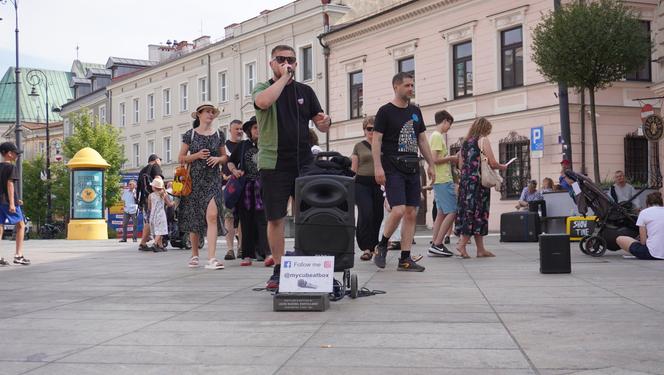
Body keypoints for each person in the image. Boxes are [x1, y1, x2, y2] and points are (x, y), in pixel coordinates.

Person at [253, 44, 331, 290]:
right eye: (282, 59)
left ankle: (305, 259)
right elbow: (264, 102)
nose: (288, 63)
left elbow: (321, 125)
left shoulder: (305, 91)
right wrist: (284, 78)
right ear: (272, 64)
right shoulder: (264, 87)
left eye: (292, 61)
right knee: (275, 217)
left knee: (307, 213)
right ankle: (278, 267)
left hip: (303, 161)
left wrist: (325, 121)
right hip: (274, 162)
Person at [372, 72, 435, 272]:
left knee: (411, 212)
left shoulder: (415, 111)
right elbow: (377, 140)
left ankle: (405, 259)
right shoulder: (385, 111)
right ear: (396, 87)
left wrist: (431, 164)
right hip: (392, 166)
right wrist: (377, 167)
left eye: (412, 85)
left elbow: (422, 140)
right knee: (397, 210)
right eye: (407, 85)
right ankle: (382, 245)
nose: (411, 88)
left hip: (411, 166)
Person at [178, 102, 229, 270]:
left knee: (212, 216)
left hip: (213, 180)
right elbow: (181, 158)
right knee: (195, 218)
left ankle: (212, 258)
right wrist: (197, 155)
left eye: (212, 112)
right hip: (194, 181)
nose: (210, 114)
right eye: (207, 112)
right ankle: (194, 254)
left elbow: (225, 157)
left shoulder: (219, 135)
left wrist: (218, 159)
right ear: (199, 115)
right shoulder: (190, 135)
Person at [454, 117, 507, 258]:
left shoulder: (464, 143)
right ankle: (461, 244)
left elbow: (460, 165)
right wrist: (504, 166)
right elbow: (493, 163)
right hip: (478, 183)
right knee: (477, 214)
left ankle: (480, 250)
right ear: (484, 128)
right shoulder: (483, 140)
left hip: (465, 183)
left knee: (469, 213)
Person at [228, 116, 269, 266]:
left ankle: (267, 253)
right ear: (250, 131)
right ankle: (247, 255)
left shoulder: (268, 144)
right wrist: (235, 171)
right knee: (246, 222)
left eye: (260, 127)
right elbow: (230, 160)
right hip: (246, 188)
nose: (258, 130)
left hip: (264, 187)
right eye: (255, 127)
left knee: (263, 220)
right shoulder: (244, 145)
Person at [351, 116, 384, 261]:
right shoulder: (359, 146)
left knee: (378, 215)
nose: (372, 131)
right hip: (361, 184)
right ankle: (365, 248)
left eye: (374, 129)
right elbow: (353, 168)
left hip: (378, 184)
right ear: (364, 130)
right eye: (369, 129)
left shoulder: (382, 145)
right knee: (366, 212)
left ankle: (374, 245)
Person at [428, 110, 457, 257]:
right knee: (452, 211)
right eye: (449, 125)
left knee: (440, 213)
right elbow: (434, 159)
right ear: (445, 121)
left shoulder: (434, 136)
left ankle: (435, 243)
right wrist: (451, 157)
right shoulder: (437, 136)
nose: (449, 128)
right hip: (443, 179)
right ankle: (438, 244)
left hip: (439, 180)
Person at [0, 142, 29, 266]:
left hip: (0, 201)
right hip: (8, 201)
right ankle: (18, 255)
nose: (17, 155)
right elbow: (10, 184)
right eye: (16, 153)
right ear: (9, 153)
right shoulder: (11, 167)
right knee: (21, 225)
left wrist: (17, 199)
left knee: (0, 226)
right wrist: (12, 203)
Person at [616, 192, 663, 260]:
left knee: (620, 239)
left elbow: (643, 241)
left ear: (647, 203)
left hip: (651, 253)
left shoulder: (644, 212)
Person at [222, 119, 244, 261]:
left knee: (243, 218)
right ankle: (230, 249)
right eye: (236, 129)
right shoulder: (224, 147)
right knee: (228, 217)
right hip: (228, 188)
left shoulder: (245, 146)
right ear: (230, 130)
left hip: (243, 186)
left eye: (241, 129)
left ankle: (241, 247)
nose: (239, 131)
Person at [136, 154, 163, 251]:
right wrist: (163, 193)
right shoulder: (155, 166)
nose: (160, 162)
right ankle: (144, 243)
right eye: (159, 160)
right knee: (155, 221)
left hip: (144, 199)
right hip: (154, 199)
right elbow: (158, 179)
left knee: (149, 220)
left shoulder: (142, 170)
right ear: (156, 160)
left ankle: (159, 244)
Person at [147, 177, 174, 252]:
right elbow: (169, 204)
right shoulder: (163, 194)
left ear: (154, 187)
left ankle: (160, 246)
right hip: (161, 214)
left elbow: (149, 207)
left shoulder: (150, 195)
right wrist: (174, 202)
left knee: (157, 230)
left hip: (153, 215)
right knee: (160, 230)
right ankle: (155, 244)